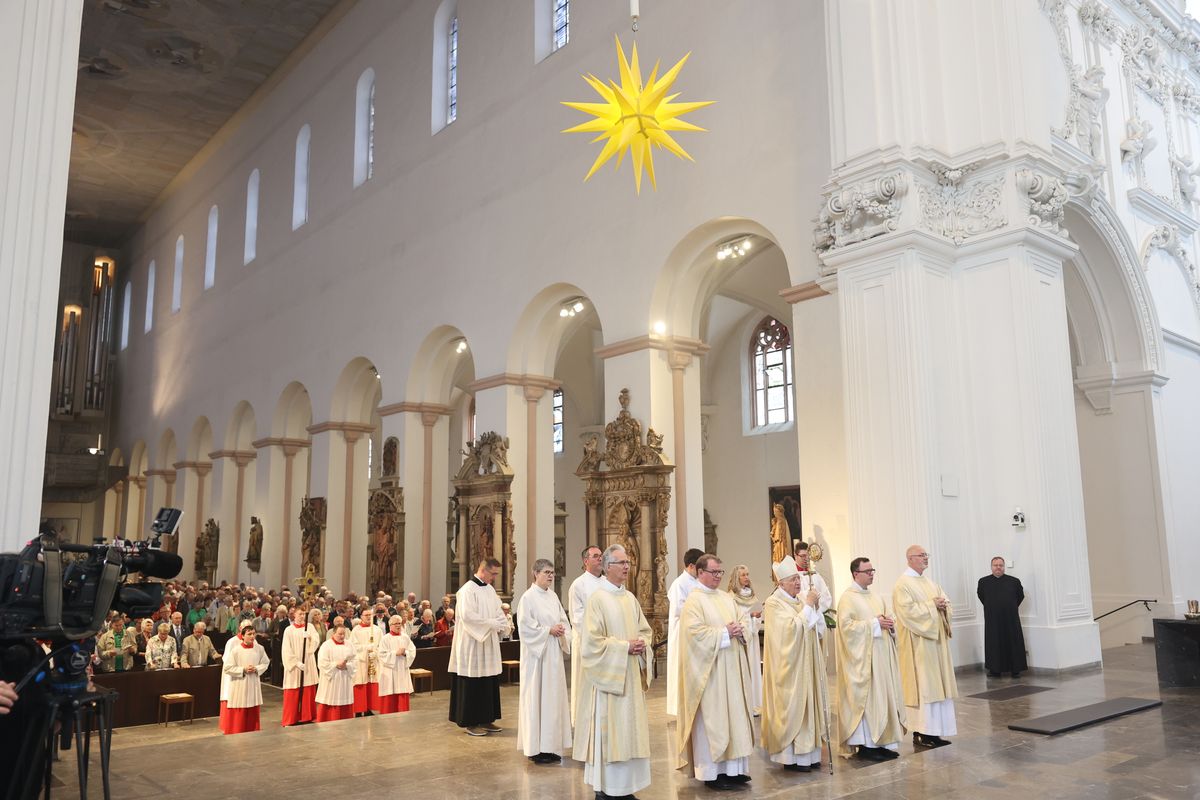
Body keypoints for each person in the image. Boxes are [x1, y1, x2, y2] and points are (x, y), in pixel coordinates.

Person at [575, 544, 654, 799]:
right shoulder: (598, 600)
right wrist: (623, 647)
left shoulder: (630, 598)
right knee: (612, 736)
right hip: (610, 683)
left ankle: (626, 789)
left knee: (630, 735)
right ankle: (607, 791)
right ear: (608, 567)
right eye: (622, 562)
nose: (627, 566)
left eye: (628, 562)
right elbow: (591, 644)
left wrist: (642, 644)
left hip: (630, 678)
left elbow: (645, 630)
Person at [675, 554, 755, 790]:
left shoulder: (726, 598)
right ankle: (712, 773)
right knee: (713, 722)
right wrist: (724, 632)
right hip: (710, 675)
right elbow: (694, 635)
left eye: (720, 572)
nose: (718, 576)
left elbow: (742, 621)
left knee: (734, 720)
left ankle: (734, 771)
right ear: (700, 573)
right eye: (714, 572)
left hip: (732, 671)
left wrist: (741, 629)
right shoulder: (694, 601)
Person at [761, 555, 829, 773]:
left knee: (810, 707)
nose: (798, 582)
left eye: (798, 578)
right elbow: (788, 632)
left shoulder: (799, 600)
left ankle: (810, 754)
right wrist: (808, 606)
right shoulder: (774, 603)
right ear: (781, 583)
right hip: (789, 668)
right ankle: (792, 758)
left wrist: (814, 608)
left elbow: (816, 629)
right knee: (794, 708)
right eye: (793, 580)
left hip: (807, 664)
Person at [836, 557, 905, 762]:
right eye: (867, 571)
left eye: (872, 570)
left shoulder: (876, 596)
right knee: (868, 701)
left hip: (882, 659)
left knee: (883, 700)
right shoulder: (847, 598)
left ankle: (882, 744)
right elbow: (846, 628)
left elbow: (889, 617)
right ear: (855, 574)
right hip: (863, 663)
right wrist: (874, 624)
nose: (871, 574)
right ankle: (867, 746)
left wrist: (890, 623)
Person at [893, 545, 958, 749]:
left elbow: (945, 602)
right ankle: (921, 733)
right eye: (921, 556)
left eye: (926, 555)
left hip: (936, 645)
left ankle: (935, 732)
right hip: (919, 647)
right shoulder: (903, 584)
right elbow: (907, 613)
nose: (925, 558)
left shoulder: (930, 583)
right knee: (925, 687)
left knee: (938, 687)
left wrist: (943, 606)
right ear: (910, 558)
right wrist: (932, 606)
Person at [516, 559, 572, 764]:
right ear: (535, 573)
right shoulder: (528, 598)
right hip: (537, 659)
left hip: (554, 656)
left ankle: (551, 746)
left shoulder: (553, 596)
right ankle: (536, 749)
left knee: (553, 700)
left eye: (552, 573)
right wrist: (548, 630)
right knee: (537, 699)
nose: (551, 576)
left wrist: (562, 630)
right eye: (547, 572)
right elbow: (525, 627)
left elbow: (563, 620)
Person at [447, 557, 511, 736]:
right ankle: (470, 722)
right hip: (472, 643)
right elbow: (467, 616)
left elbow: (499, 611)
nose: (495, 578)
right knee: (472, 681)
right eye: (493, 574)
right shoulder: (466, 590)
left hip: (488, 643)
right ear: (483, 570)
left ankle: (486, 718)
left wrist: (502, 624)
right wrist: (491, 623)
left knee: (488, 681)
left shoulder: (490, 590)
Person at [567, 544, 604, 725]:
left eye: (601, 555)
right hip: (587, 641)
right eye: (595, 556)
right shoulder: (578, 584)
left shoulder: (607, 583)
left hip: (607, 642)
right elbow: (577, 617)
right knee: (584, 682)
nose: (600, 558)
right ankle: (582, 720)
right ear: (586, 561)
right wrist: (596, 635)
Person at [666, 547, 704, 717]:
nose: (701, 572)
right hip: (682, 632)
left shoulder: (697, 582)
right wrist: (701, 612)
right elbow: (678, 609)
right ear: (691, 566)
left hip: (697, 632)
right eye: (699, 567)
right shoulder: (679, 584)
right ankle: (680, 707)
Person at [977, 557, 1027, 678]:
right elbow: (981, 596)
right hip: (992, 618)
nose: (998, 567)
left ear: (1004, 567)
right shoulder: (983, 582)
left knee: (1013, 641)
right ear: (991, 567)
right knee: (994, 642)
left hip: (1011, 618)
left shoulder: (1014, 581)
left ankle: (1015, 669)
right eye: (995, 565)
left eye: (1001, 565)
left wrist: (1010, 607)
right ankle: (995, 670)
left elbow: (1020, 596)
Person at [726, 565, 764, 715]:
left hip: (752, 639)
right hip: (740, 638)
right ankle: (742, 705)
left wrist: (756, 617)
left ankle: (755, 704)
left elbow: (755, 618)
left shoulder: (752, 596)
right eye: (743, 575)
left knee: (753, 668)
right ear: (737, 577)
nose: (747, 577)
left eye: (747, 574)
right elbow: (732, 617)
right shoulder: (731, 597)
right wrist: (750, 617)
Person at [223, 621, 270, 734]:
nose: (252, 636)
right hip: (240, 683)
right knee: (240, 708)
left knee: (252, 708)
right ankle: (237, 730)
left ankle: (252, 730)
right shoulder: (236, 651)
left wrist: (256, 668)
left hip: (253, 682)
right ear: (243, 636)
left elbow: (266, 663)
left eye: (253, 634)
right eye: (249, 634)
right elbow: (227, 668)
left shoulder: (259, 649)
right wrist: (243, 669)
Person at [281, 608, 320, 726]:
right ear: (294, 615)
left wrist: (310, 637)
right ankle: (291, 718)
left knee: (307, 689)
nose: (302, 616)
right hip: (295, 665)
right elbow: (286, 649)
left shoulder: (310, 627)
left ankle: (306, 716)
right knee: (293, 689)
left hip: (307, 662)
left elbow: (316, 641)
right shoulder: (289, 630)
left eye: (303, 614)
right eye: (300, 614)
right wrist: (296, 663)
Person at [315, 622, 357, 722]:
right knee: (330, 700)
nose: (342, 636)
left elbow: (355, 660)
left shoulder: (349, 645)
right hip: (332, 680)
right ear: (334, 633)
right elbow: (322, 663)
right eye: (340, 634)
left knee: (345, 701)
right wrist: (336, 664)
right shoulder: (326, 645)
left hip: (345, 678)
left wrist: (347, 666)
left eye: (343, 634)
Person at [378, 615, 416, 714]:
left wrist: (405, 653)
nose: (398, 625)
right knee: (389, 697)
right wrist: (395, 653)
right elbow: (381, 655)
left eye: (399, 623)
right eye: (396, 624)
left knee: (402, 695)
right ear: (390, 625)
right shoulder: (385, 638)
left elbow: (412, 651)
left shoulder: (405, 637)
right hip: (390, 671)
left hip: (402, 670)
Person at [350, 607, 382, 717]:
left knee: (371, 684)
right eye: (366, 615)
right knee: (361, 684)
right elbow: (353, 646)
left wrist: (376, 653)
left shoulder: (377, 630)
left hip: (373, 660)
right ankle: (359, 710)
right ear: (361, 617)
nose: (369, 617)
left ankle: (369, 708)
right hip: (361, 662)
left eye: (370, 615)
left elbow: (381, 645)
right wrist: (366, 648)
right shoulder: (356, 630)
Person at [795, 542, 833, 619]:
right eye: (803, 556)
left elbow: (826, 596)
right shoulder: (792, 576)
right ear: (795, 556)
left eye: (808, 555)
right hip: (801, 617)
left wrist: (817, 608)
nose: (806, 558)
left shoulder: (815, 575)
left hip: (817, 616)